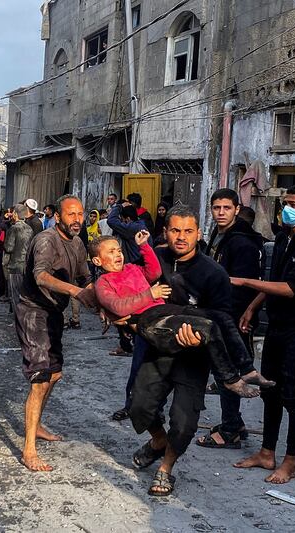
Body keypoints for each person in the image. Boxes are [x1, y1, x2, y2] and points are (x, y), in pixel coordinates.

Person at [88, 232, 267, 396]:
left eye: (119, 250)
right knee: (207, 328)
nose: (118, 255)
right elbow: (118, 306)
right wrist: (150, 294)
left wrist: (144, 246)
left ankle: (247, 369)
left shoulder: (131, 268)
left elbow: (154, 272)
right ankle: (229, 379)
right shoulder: (104, 283)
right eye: (111, 252)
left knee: (221, 318)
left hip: (164, 310)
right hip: (149, 321)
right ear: (97, 261)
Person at [232, 183, 295, 484]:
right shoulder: (284, 237)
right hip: (276, 327)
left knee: (294, 398)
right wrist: (252, 307)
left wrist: (247, 283)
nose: (285, 208)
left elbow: (289, 289)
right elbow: (275, 279)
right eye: (285, 202)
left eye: (291, 203)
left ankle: (290, 461)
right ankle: (266, 452)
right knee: (270, 391)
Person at [125, 207, 224, 496]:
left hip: (193, 357)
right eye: (176, 231)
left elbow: (222, 319)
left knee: (183, 423)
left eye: (188, 231)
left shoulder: (212, 272)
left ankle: (165, 468)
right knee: (138, 406)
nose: (181, 237)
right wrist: (118, 315)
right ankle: (157, 441)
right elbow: (126, 285)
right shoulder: (154, 259)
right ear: (165, 232)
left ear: (199, 234)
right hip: (157, 349)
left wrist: (203, 338)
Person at [15, 194, 91, 471]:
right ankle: (28, 450)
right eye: (71, 214)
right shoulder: (46, 239)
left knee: (55, 374)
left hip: (54, 311)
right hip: (33, 310)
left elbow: (86, 278)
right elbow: (41, 276)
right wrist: (75, 292)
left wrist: (107, 301)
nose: (76, 219)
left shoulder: (79, 243)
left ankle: (36, 426)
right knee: (40, 377)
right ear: (57, 216)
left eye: (80, 214)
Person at [197, 188, 265, 449]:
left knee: (228, 373)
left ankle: (230, 430)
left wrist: (236, 317)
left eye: (226, 208)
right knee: (223, 371)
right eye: (217, 208)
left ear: (237, 209)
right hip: (219, 314)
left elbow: (244, 286)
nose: (221, 212)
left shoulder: (242, 242)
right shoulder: (220, 234)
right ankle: (233, 421)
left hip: (233, 318)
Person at [107, 202, 147, 357]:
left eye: (123, 219)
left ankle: (128, 345)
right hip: (138, 271)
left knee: (124, 311)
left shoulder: (132, 228)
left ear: (127, 219)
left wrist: (117, 206)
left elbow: (112, 221)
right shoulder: (141, 225)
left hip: (134, 271)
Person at [4, 203, 34, 311]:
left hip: (14, 266)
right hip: (26, 266)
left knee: (15, 294)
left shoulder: (14, 228)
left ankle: (18, 320)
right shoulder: (30, 229)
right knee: (24, 295)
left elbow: (9, 248)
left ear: (16, 214)